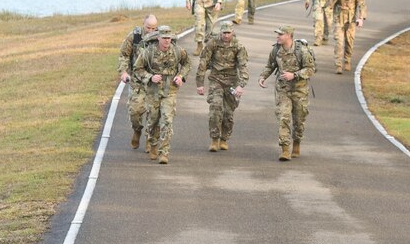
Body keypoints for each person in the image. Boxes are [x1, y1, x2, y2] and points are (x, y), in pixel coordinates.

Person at [133, 25, 191, 165]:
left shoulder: (177, 51)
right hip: (153, 93)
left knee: (167, 121)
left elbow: (187, 63)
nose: (167, 41)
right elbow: (137, 68)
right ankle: (153, 143)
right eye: (164, 38)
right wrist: (149, 77)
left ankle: (163, 152)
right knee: (153, 121)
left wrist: (181, 76)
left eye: (169, 38)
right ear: (158, 38)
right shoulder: (149, 52)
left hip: (170, 91)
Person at [258, 25, 316, 161]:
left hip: (300, 90)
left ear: (289, 35)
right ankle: (285, 149)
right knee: (283, 117)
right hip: (283, 90)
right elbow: (270, 65)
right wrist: (263, 77)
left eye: (280, 34)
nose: (277, 36)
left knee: (299, 120)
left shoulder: (301, 50)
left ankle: (297, 142)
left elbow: (311, 69)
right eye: (277, 34)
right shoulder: (276, 49)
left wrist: (294, 75)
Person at [196, 21, 249, 153]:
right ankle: (214, 139)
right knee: (215, 108)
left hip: (232, 81)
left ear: (232, 33)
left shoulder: (238, 46)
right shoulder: (212, 44)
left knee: (228, 113)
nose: (226, 35)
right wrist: (200, 84)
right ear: (220, 32)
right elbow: (203, 63)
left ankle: (224, 138)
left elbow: (243, 67)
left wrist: (241, 85)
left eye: (228, 33)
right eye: (224, 32)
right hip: (216, 79)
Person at [117, 14, 158, 150]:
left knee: (153, 114)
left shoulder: (160, 37)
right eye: (148, 28)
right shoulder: (135, 36)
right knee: (135, 112)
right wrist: (123, 71)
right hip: (137, 81)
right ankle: (137, 130)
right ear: (143, 24)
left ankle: (149, 139)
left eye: (154, 28)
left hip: (154, 82)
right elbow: (124, 54)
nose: (151, 31)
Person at [326, 0, 367, 74]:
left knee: (349, 42)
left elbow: (362, 5)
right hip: (338, 21)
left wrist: (361, 18)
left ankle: (347, 60)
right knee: (339, 43)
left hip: (350, 22)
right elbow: (329, 4)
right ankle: (338, 65)